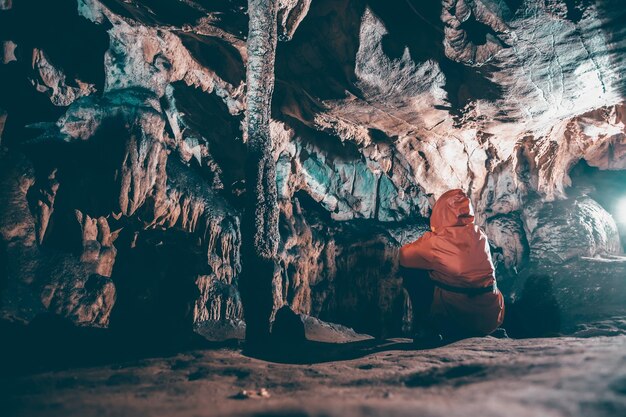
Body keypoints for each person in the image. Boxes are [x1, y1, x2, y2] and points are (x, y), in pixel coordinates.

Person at [399, 189, 505, 347]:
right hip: (491, 317)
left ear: (441, 212)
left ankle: (426, 327)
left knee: (413, 272)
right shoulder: (479, 234)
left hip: (459, 319)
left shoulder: (436, 242)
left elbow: (404, 256)